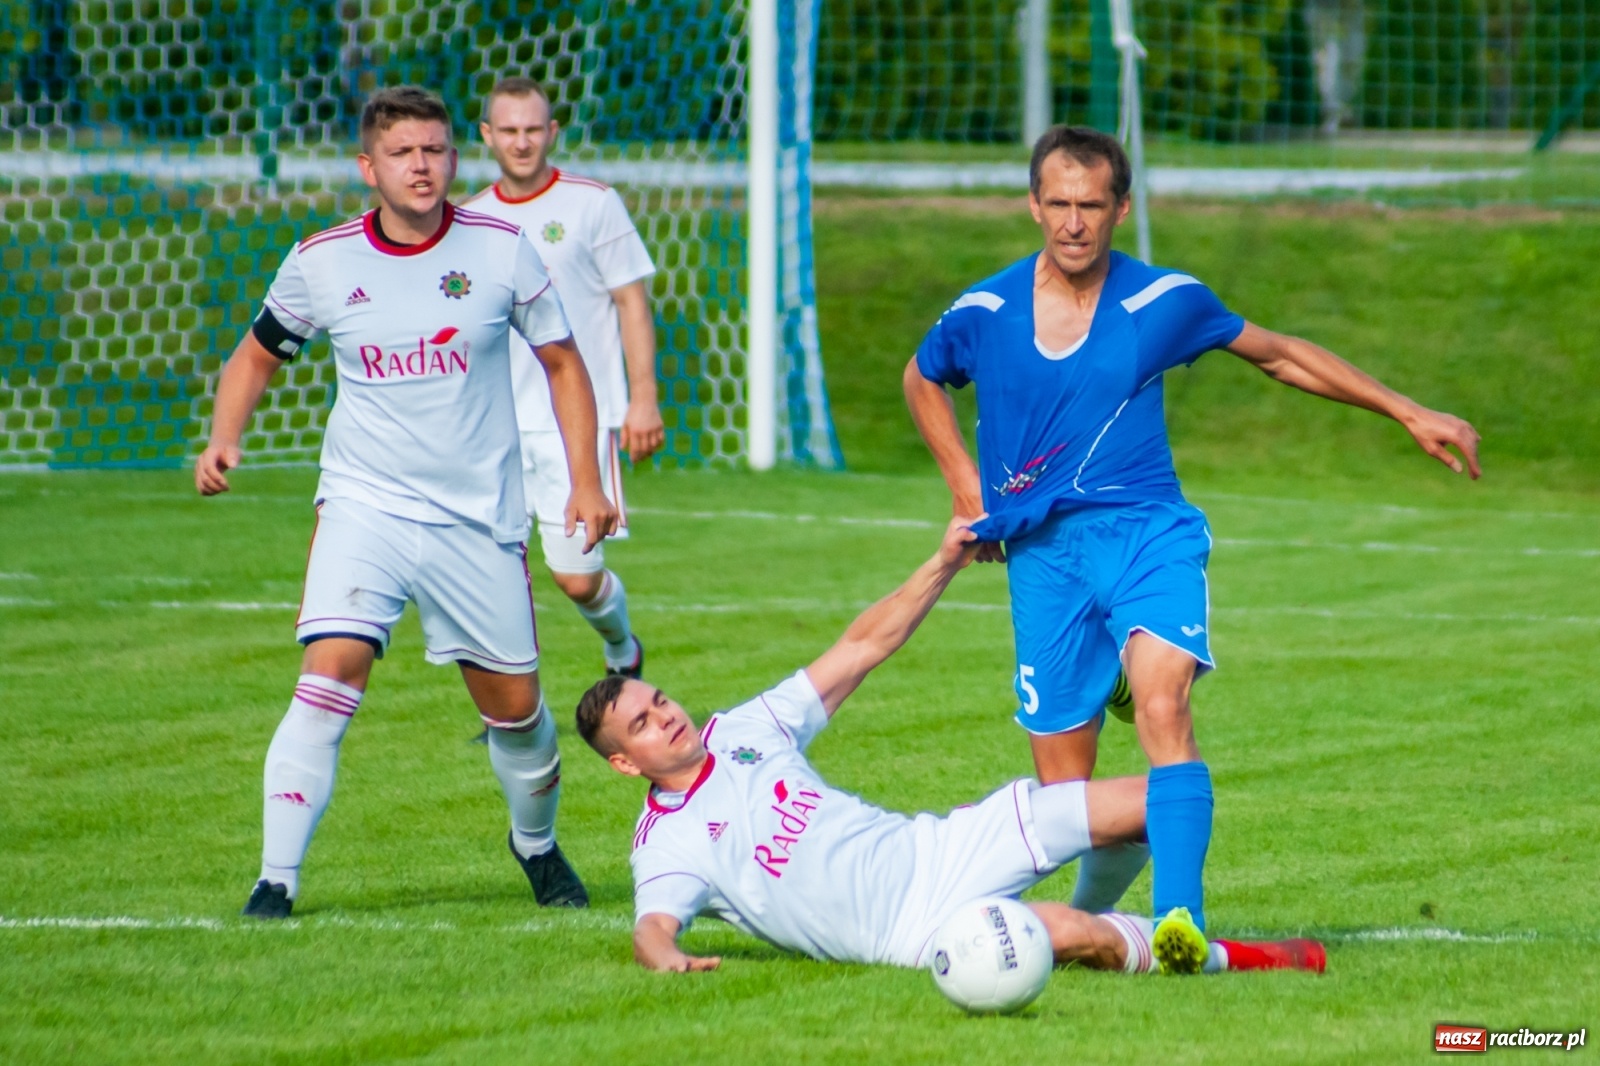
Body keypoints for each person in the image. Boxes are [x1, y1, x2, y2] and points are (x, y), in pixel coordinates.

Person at [902, 125, 1480, 960]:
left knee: (1166, 706)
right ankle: (1098, 918)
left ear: (1120, 209)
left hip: (1146, 533)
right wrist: (966, 486)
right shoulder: (984, 312)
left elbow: (1280, 356)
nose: (1073, 223)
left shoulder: (1161, 303)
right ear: (1033, 205)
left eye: (1091, 206)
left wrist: (1407, 411)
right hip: (1044, 561)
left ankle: (1180, 921)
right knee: (1071, 800)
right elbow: (921, 377)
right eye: (1058, 204)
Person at [195, 86, 617, 918]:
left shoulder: (503, 250)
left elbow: (565, 365)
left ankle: (534, 845)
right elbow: (256, 354)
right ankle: (275, 880)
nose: (421, 166)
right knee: (328, 676)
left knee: (518, 713)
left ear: (456, 158)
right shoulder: (321, 260)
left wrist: (587, 481)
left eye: (435, 150)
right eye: (402, 153)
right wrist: (224, 436)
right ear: (369, 167)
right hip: (365, 507)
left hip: (477, 519)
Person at [573, 518, 1326, 977]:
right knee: (1069, 937)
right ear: (624, 763)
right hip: (911, 932)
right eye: (641, 724)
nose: (664, 716)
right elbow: (653, 925)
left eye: (657, 699)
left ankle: (1134, 913)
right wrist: (666, 957)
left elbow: (861, 646)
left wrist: (944, 562)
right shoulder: (665, 844)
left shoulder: (742, 730)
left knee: (1160, 796)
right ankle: (1244, 956)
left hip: (939, 848)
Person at [463, 77, 661, 681]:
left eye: (532, 130)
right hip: (496, 424)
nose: (521, 142)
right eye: (509, 131)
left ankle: (622, 647)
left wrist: (643, 398)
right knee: (487, 574)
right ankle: (510, 706)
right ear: (487, 136)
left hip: (577, 420)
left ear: (551, 133)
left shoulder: (592, 203)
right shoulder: (469, 218)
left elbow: (631, 300)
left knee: (576, 577)